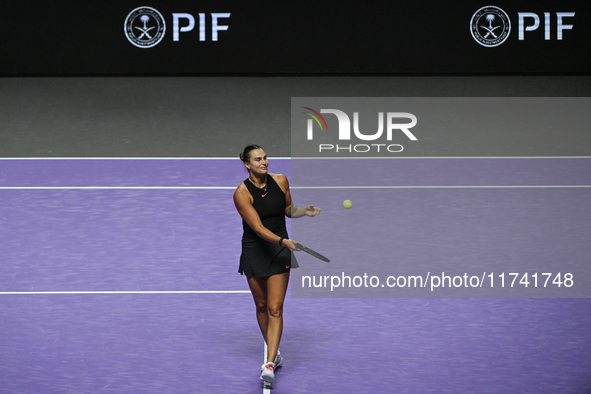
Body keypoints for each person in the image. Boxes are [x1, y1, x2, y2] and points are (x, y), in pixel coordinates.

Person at [233, 144, 320, 383]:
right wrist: (284, 241)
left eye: (265, 157)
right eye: (258, 159)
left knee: (274, 308)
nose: (264, 162)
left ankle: (270, 362)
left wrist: (305, 211)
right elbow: (259, 229)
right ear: (247, 165)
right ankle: (274, 350)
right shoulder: (241, 193)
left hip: (279, 250)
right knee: (261, 306)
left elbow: (288, 209)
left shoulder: (281, 180)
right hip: (256, 250)